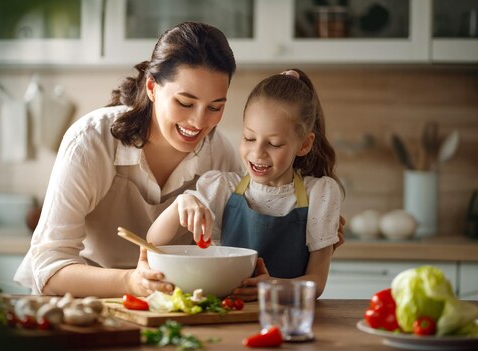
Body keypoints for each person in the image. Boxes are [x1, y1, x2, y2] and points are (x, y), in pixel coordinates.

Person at [14, 22, 345, 298]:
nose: (199, 122)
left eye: (215, 107)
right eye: (185, 102)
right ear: (153, 88)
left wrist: (318, 235)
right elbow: (49, 270)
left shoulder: (220, 153)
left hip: (166, 308)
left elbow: (236, 241)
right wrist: (130, 282)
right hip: (84, 305)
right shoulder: (91, 141)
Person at [147, 69, 343, 300]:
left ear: (303, 144)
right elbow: (153, 241)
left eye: (274, 143)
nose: (257, 153)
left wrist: (272, 288)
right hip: (226, 314)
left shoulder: (319, 194)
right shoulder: (221, 187)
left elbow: (316, 283)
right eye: (249, 138)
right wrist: (182, 202)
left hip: (284, 318)